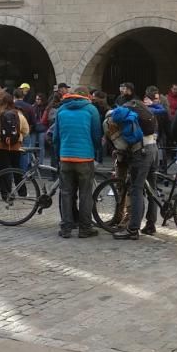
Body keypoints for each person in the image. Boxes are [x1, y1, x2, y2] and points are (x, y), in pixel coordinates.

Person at [55, 86, 102, 239]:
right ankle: (85, 228)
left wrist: (59, 154)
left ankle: (66, 228)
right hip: (85, 157)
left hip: (65, 157)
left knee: (66, 193)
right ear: (87, 96)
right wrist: (95, 151)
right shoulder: (91, 110)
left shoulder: (61, 110)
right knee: (85, 194)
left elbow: (56, 137)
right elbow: (96, 135)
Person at [111, 96, 159, 240]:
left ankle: (132, 229)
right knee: (152, 188)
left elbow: (124, 141)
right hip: (154, 148)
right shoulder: (141, 108)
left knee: (136, 189)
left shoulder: (123, 114)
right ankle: (151, 224)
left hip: (142, 152)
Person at [0, 90, 30, 200]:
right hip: (16, 146)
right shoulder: (19, 115)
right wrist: (18, 138)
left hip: (0, 147)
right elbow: (26, 130)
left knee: (4, 170)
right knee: (17, 170)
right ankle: (22, 192)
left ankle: (6, 194)